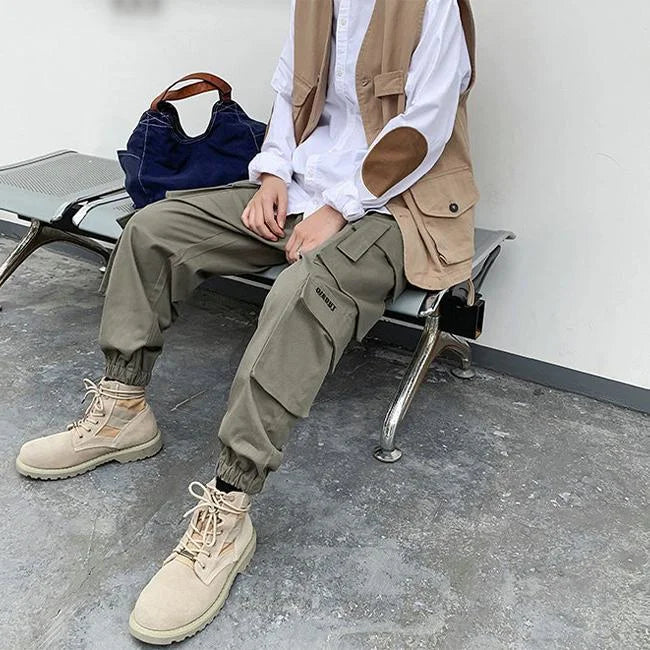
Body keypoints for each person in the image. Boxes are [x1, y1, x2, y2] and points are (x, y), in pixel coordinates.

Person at [16, 0, 478, 644]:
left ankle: (229, 506)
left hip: (396, 208)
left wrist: (340, 209)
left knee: (304, 289)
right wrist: (273, 175)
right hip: (307, 188)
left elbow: (423, 130)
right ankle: (123, 410)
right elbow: (290, 99)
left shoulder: (431, 7)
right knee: (153, 229)